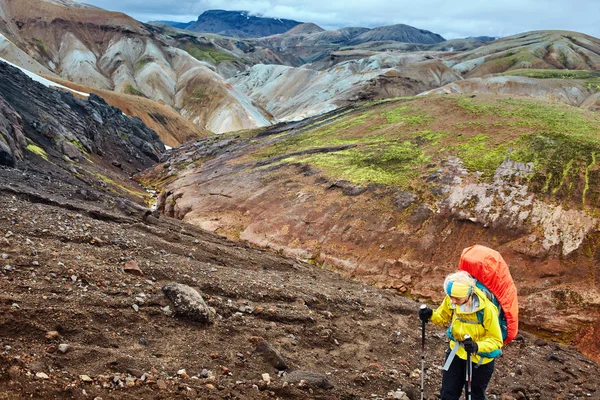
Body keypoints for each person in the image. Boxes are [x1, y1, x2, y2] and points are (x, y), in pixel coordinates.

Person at [419, 270, 503, 400]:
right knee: (448, 394)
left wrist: (477, 346)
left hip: (480, 360)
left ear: (468, 294)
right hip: (456, 352)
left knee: (475, 397)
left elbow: (497, 340)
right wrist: (430, 314)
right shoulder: (452, 297)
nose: (452, 301)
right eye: (450, 297)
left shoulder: (487, 309)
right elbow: (442, 317)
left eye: (457, 299)